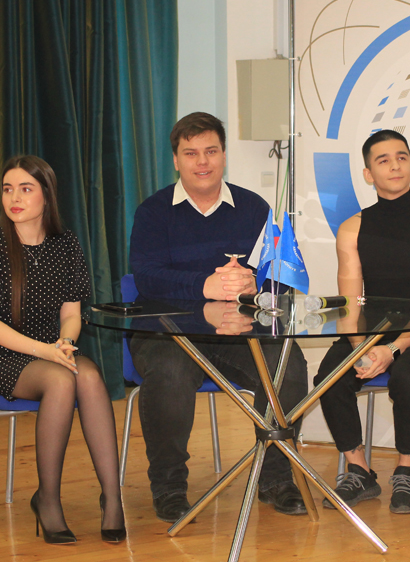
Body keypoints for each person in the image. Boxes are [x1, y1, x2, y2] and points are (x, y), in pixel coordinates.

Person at [128, 112, 309, 523]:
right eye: (191, 153)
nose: (202, 162)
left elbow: (280, 279)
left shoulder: (254, 208)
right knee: (170, 375)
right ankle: (169, 487)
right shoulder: (153, 211)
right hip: (167, 332)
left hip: (240, 332)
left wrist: (253, 286)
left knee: (287, 364)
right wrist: (205, 285)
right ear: (176, 160)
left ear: (224, 155)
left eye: (210, 151)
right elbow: (146, 277)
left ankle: (276, 479)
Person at [0, 155, 126, 545]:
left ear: (46, 196)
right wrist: (47, 352)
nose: (14, 198)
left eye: (25, 189)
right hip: (4, 356)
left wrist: (64, 343)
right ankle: (47, 499)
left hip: (52, 350)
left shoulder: (65, 244)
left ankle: (113, 497)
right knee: (62, 380)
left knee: (89, 376)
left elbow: (71, 313)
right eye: (7, 189)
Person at [313, 129, 410, 514]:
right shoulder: (352, 228)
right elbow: (350, 304)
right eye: (383, 160)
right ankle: (359, 470)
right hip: (369, 334)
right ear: (368, 174)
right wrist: (359, 349)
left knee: (407, 376)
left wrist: (392, 349)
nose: (395, 166)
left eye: (401, 157)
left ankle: (406, 471)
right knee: (329, 376)